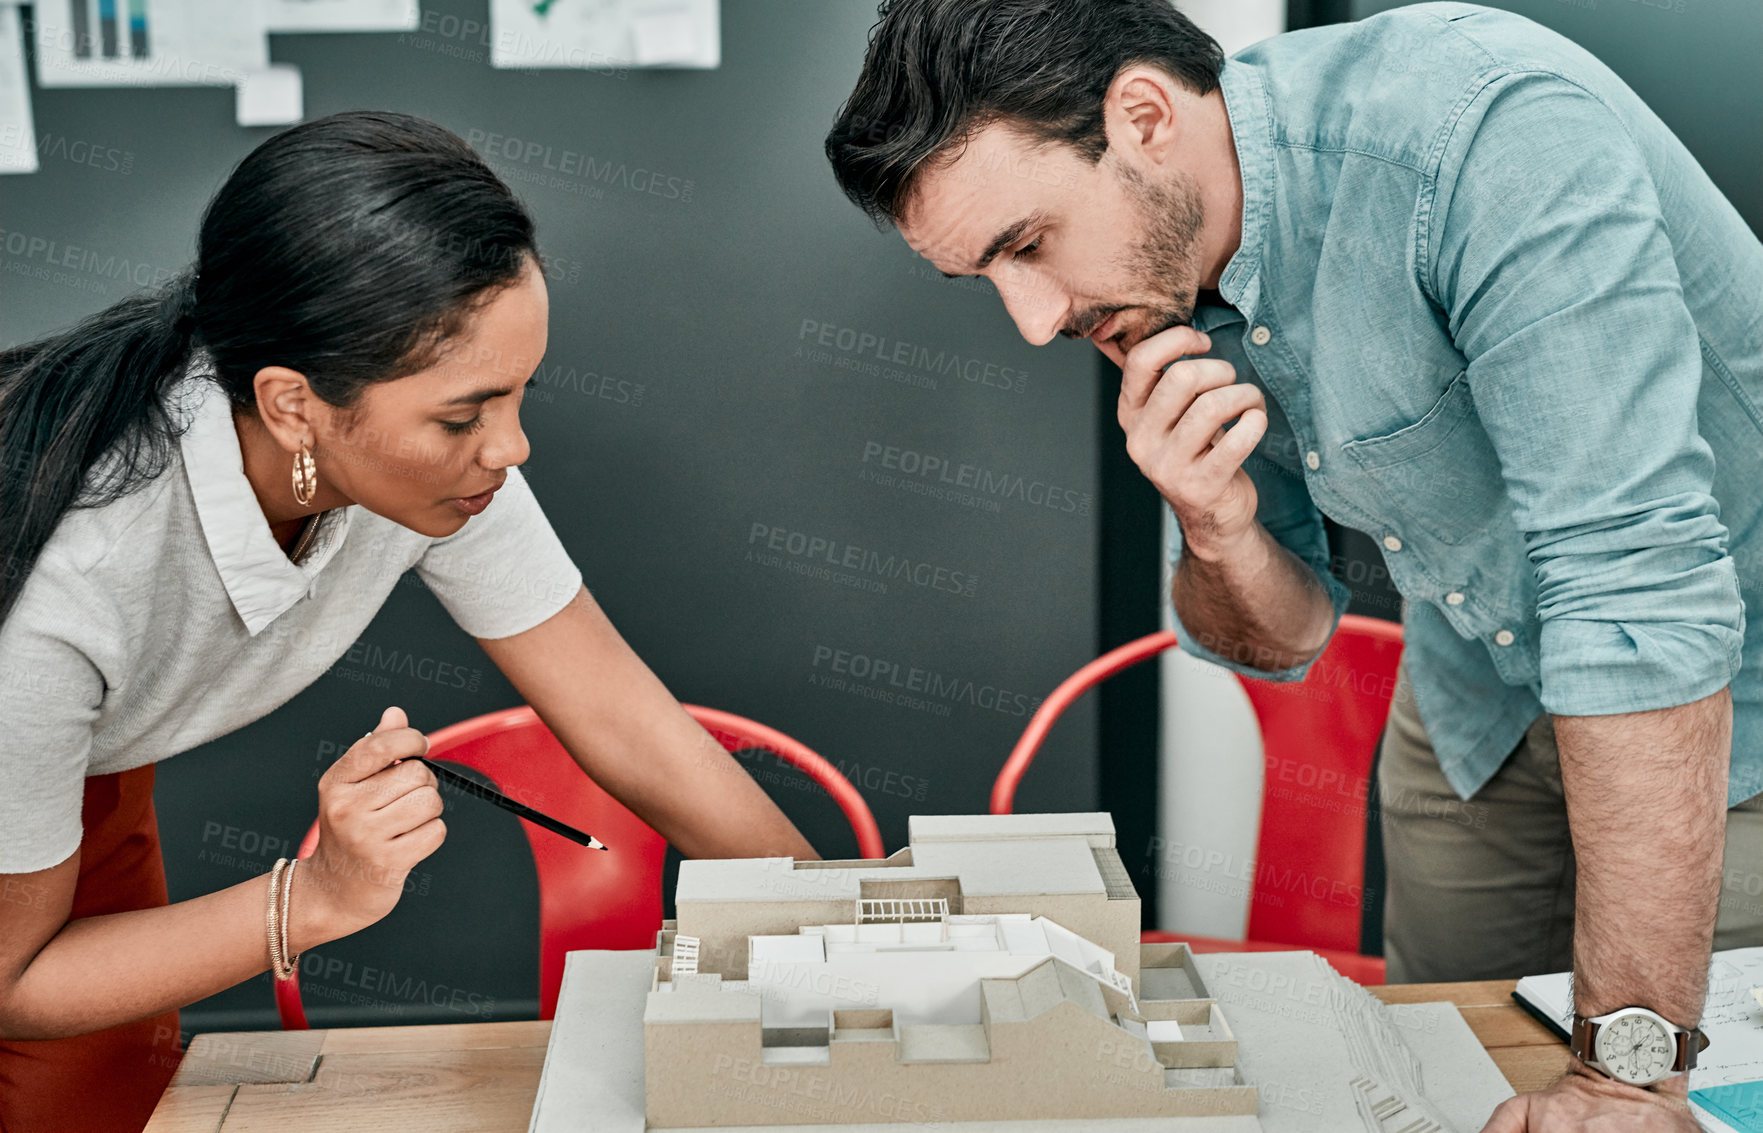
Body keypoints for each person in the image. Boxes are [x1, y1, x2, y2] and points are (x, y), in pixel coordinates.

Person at [824, 1, 1763, 1127]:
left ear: (1141, 116)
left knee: (1685, 1101)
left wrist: (1621, 1070)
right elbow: (1284, 635)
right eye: (986, 275)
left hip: (1720, 694)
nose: (1031, 320)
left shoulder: (1483, 132)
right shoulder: (1150, 277)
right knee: (1453, 1068)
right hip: (1468, 697)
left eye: (1026, 245)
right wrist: (1215, 528)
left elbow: (1632, 587)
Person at [0, 110, 818, 1133]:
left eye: (518, 395)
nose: (509, 448)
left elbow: (619, 715)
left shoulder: (426, 468)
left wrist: (833, 923)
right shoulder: (61, 586)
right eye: (464, 415)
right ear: (294, 406)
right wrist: (317, 895)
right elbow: (16, 976)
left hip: (71, 785)